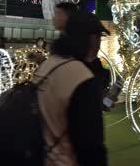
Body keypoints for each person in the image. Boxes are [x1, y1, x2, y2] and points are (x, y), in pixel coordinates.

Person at [34, 11, 107, 165]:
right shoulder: (81, 77)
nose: (100, 41)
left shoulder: (47, 66)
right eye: (99, 36)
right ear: (91, 39)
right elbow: (91, 145)